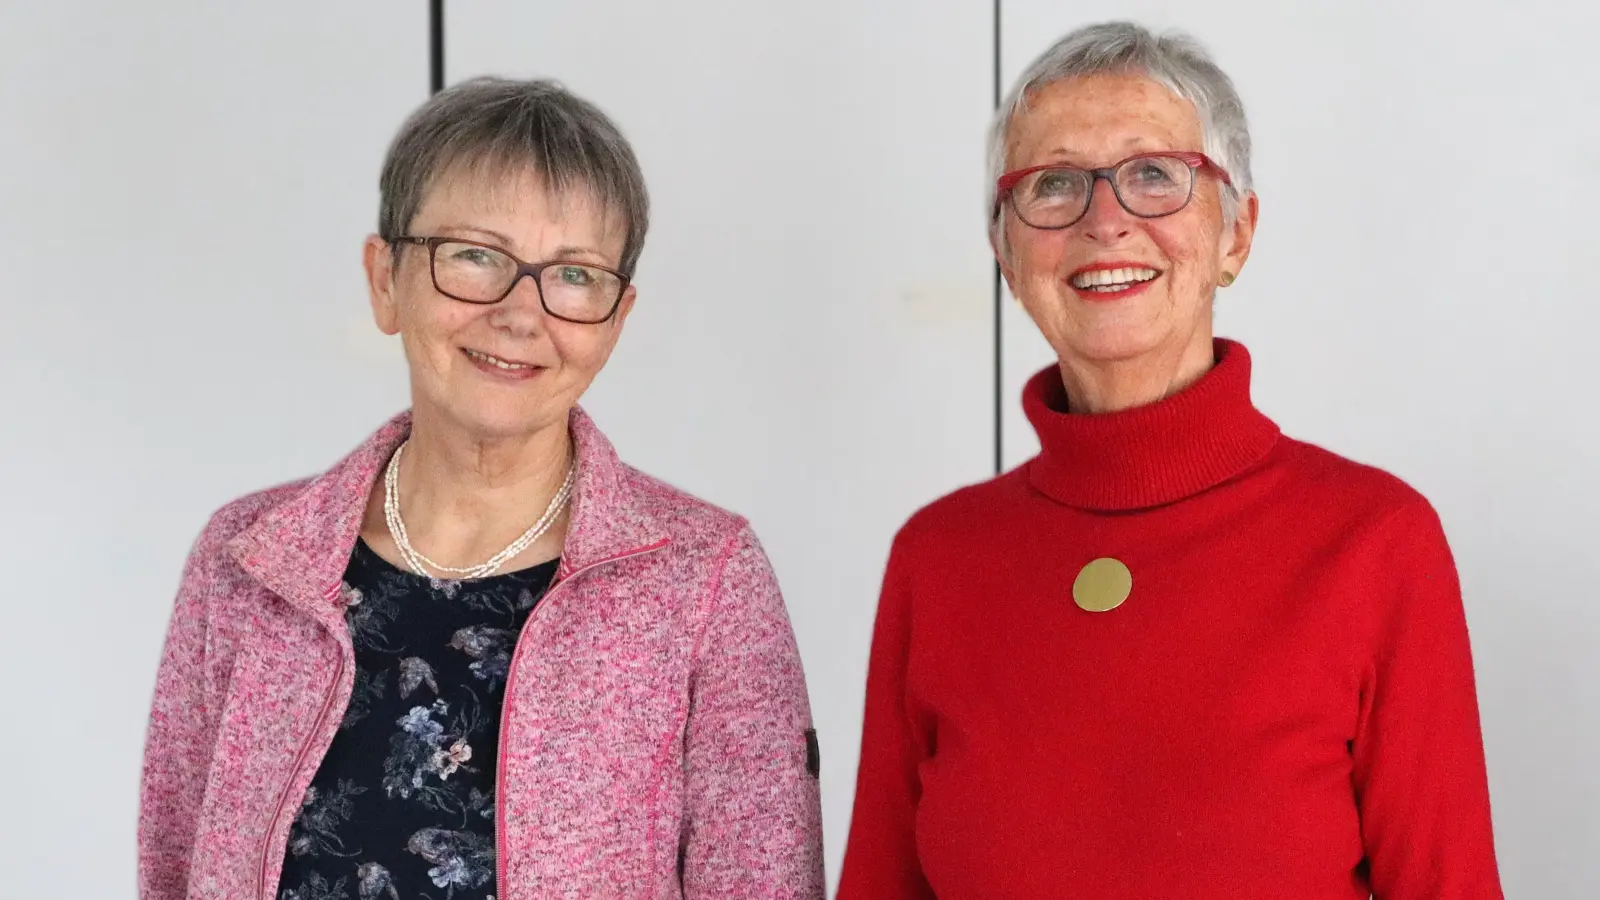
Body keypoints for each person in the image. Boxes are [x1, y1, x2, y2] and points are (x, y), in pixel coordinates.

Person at [838, 21, 1502, 900]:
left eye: (1155, 175)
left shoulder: (1374, 541)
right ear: (1004, 251)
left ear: (1236, 233)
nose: (1105, 220)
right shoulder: (937, 557)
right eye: (1055, 183)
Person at [138, 77, 824, 900]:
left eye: (574, 275)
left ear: (617, 318)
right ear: (385, 277)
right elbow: (171, 868)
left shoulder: (707, 583)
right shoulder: (247, 560)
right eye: (473, 256)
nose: (520, 313)